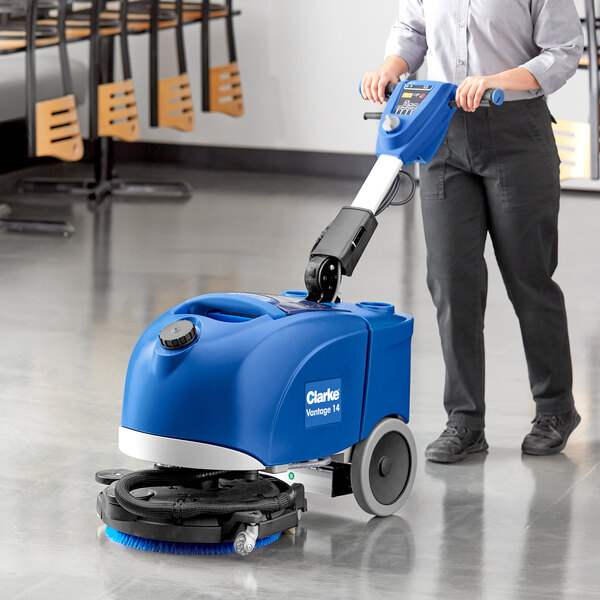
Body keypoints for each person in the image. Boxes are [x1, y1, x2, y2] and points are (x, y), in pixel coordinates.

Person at [362, 0, 583, 463]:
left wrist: (498, 80)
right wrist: (392, 64)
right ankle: (464, 420)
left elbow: (563, 51)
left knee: (529, 277)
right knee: (450, 281)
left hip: (516, 135)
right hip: (439, 129)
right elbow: (412, 28)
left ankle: (555, 409)